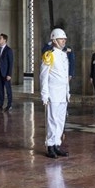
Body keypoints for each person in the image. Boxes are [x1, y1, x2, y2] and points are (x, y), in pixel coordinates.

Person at [40, 28, 70, 158]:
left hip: (63, 94)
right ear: (54, 40)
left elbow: (65, 76)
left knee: (60, 120)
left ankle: (57, 144)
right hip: (53, 93)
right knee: (52, 120)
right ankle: (50, 145)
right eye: (61, 39)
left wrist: (68, 92)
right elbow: (43, 76)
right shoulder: (49, 55)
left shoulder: (64, 55)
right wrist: (44, 94)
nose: (63, 41)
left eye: (64, 39)